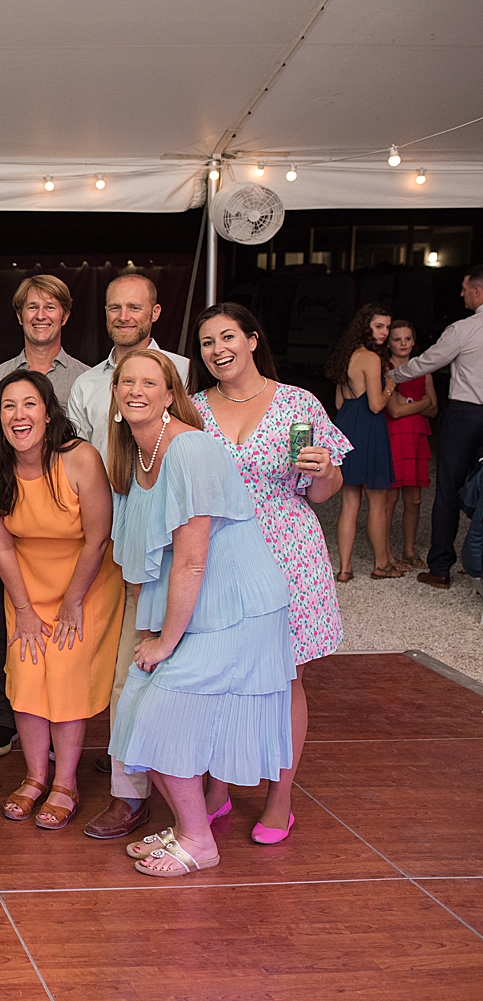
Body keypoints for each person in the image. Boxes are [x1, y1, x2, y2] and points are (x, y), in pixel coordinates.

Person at [105, 349, 294, 877]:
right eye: (126, 382)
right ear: (116, 396)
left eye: (150, 382)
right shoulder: (136, 456)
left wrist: (164, 641)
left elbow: (191, 561)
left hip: (235, 606)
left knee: (161, 715)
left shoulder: (190, 449)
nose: (136, 390)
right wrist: (156, 631)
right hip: (192, 607)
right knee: (138, 715)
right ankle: (192, 827)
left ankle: (199, 842)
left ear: (171, 395)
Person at [189, 304, 347, 845]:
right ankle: (217, 789)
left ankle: (281, 798)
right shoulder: (191, 410)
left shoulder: (297, 403)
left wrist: (325, 471)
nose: (217, 349)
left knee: (284, 680)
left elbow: (324, 492)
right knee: (220, 679)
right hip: (217, 554)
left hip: (287, 551)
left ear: (253, 339)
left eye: (227, 336)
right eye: (207, 342)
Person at [64, 272, 190, 840]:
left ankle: (202, 795)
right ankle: (129, 792)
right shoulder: (91, 385)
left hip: (184, 548)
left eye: (133, 307)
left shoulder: (188, 372)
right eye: (113, 307)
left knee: (185, 678)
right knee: (125, 673)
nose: (122, 316)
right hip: (123, 546)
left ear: (155, 312)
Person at [0, 369, 123, 830]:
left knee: (63, 672)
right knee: (24, 672)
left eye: (29, 404)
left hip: (86, 581)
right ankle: (36, 776)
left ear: (48, 412)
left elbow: (98, 538)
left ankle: (66, 782)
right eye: (8, 406)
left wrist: (73, 601)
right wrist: (22, 609)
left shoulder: (80, 459)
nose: (19, 415)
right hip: (26, 584)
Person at [0, 274, 89, 759]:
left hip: (71, 522)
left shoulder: (85, 378)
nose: (41, 315)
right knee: (10, 631)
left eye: (51, 307)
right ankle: (8, 721)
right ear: (19, 316)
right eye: (31, 307)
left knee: (67, 649)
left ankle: (61, 753)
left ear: (64, 315)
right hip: (16, 524)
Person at [387, 265, 483, 588]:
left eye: (464, 288)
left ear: (478, 292)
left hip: (465, 416)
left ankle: (440, 568)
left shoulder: (463, 329)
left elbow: (428, 361)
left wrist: (392, 376)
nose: (461, 294)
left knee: (448, 492)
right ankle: (477, 562)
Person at [326, 303, 400, 580]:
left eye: (387, 327)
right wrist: (390, 384)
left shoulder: (347, 356)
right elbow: (377, 405)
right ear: (365, 326)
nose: (385, 332)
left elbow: (338, 402)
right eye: (379, 326)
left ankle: (344, 569)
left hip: (347, 427)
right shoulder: (371, 357)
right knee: (377, 504)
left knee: (349, 504)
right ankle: (382, 565)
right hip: (369, 429)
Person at [381, 320, 437, 570]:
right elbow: (393, 411)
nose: (403, 344)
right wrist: (421, 402)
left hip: (416, 440)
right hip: (394, 438)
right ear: (389, 343)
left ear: (414, 341)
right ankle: (388, 553)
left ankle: (409, 550)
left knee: (414, 500)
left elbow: (434, 408)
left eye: (407, 339)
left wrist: (409, 402)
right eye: (397, 339)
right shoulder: (386, 370)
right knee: (390, 498)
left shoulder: (424, 370)